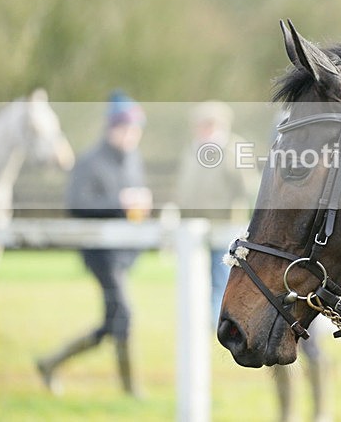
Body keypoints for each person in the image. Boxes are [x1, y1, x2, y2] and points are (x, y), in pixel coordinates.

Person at [36, 90, 150, 397]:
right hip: (100, 255)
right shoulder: (89, 161)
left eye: (136, 129)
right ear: (111, 127)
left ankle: (49, 363)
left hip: (124, 254)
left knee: (112, 322)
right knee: (124, 314)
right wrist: (119, 202)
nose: (132, 135)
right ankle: (131, 391)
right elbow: (76, 204)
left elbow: (135, 200)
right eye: (127, 128)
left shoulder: (133, 159)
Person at [175, 101, 256, 327]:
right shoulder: (192, 150)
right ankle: (202, 325)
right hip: (193, 229)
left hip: (225, 229)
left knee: (221, 280)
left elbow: (247, 188)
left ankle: (217, 325)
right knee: (195, 282)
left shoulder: (235, 147)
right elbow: (184, 188)